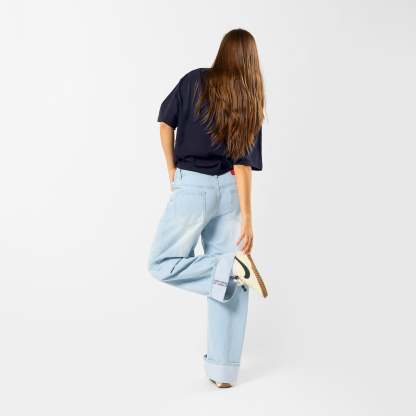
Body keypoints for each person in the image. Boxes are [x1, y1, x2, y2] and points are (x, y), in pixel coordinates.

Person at [147, 28, 268, 388]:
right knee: (228, 280)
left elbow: (165, 122)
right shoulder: (249, 97)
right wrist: (247, 216)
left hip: (192, 188)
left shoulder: (194, 81)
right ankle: (224, 372)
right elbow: (243, 165)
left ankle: (227, 268)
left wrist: (171, 168)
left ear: (223, 51)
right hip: (230, 191)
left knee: (162, 262)